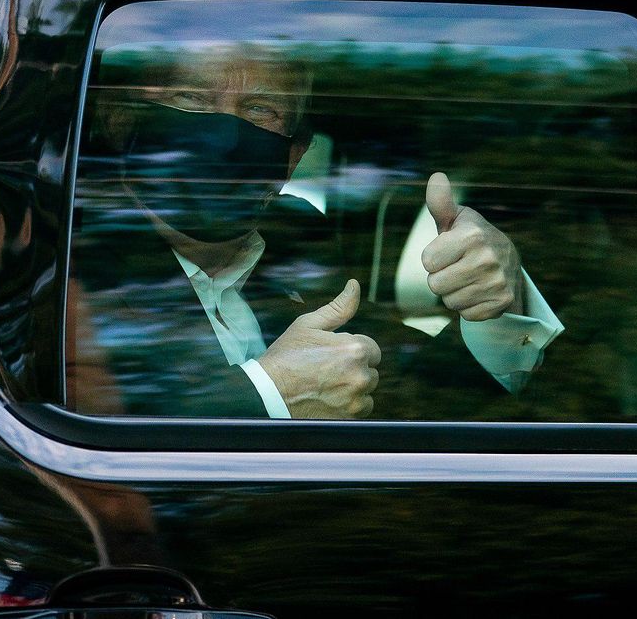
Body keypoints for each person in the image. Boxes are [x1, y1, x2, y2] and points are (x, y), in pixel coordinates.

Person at [66, 44, 563, 419]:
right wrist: (266, 399)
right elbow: (70, 437)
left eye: (261, 110)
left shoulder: (306, 246)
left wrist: (499, 304)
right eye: (192, 99)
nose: (223, 133)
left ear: (293, 156)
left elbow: (439, 401)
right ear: (120, 120)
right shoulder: (61, 258)